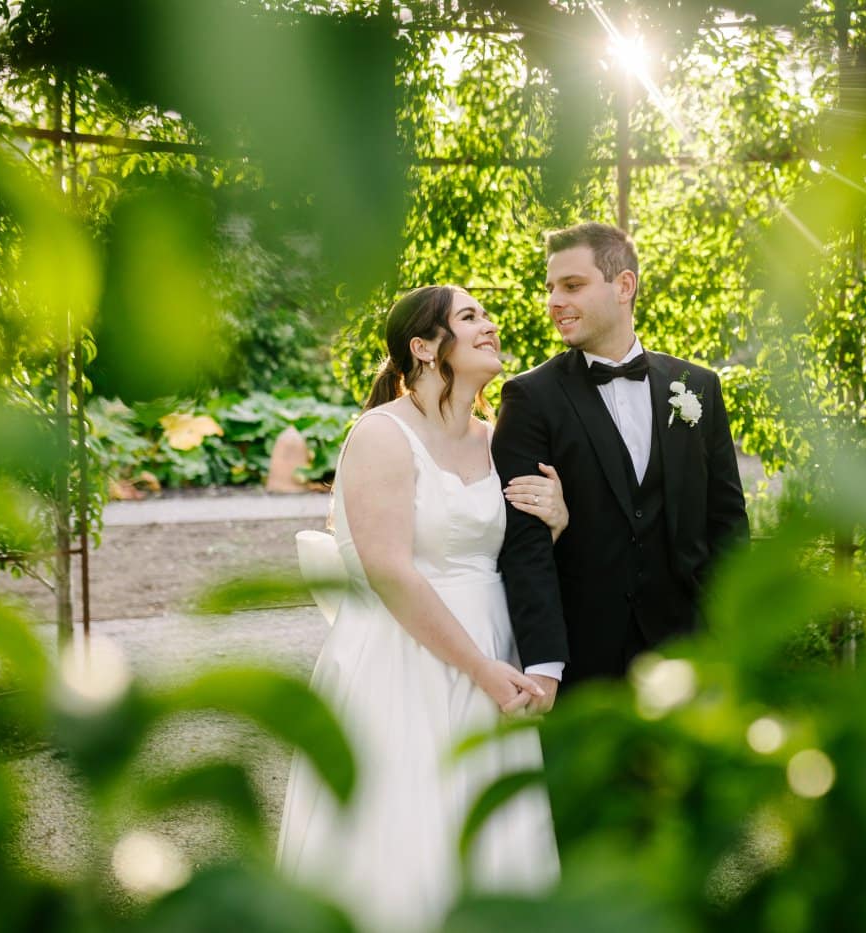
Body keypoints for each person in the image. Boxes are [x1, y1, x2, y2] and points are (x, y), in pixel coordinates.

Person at [277, 285, 562, 931]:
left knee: (487, 829)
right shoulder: (381, 434)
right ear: (426, 347)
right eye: (470, 317)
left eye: (487, 314)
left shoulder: (498, 438)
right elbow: (389, 570)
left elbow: (520, 553)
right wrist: (480, 668)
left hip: (498, 647)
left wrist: (559, 519)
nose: (490, 325)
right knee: (405, 826)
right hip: (407, 656)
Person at [492, 222, 749, 711]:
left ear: (624, 286)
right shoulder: (530, 398)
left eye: (572, 286)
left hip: (689, 655)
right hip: (584, 658)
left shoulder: (699, 387)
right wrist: (545, 664)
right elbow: (524, 544)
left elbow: (728, 525)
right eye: (550, 289)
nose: (554, 302)